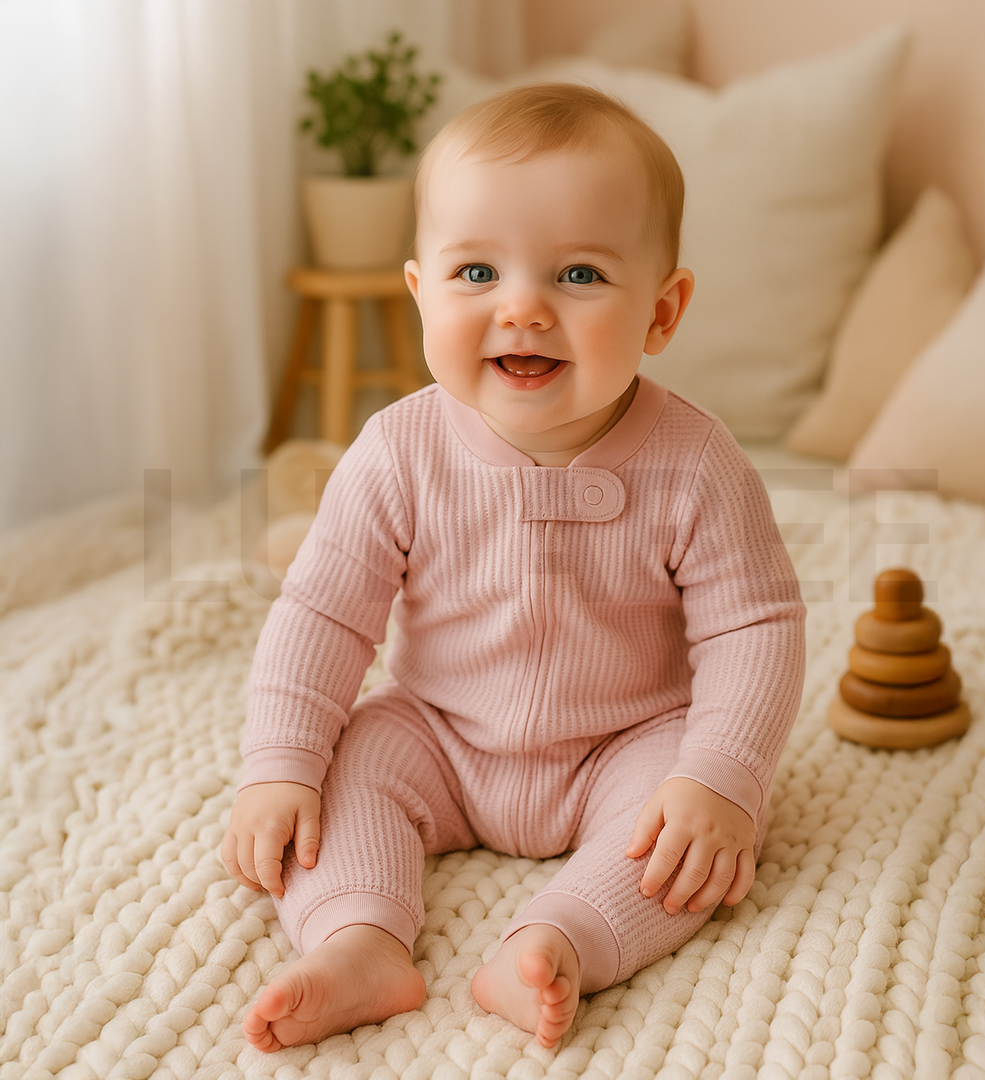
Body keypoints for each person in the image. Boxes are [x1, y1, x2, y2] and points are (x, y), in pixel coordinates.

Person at [222, 82, 805, 1053]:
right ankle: (360, 939)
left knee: (692, 839)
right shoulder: (398, 452)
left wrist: (722, 775)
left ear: (662, 312)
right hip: (441, 734)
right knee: (340, 776)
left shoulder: (697, 464)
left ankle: (560, 939)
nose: (523, 308)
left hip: (625, 740)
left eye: (579, 275)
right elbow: (322, 612)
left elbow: (756, 627)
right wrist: (278, 763)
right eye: (478, 271)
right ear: (422, 292)